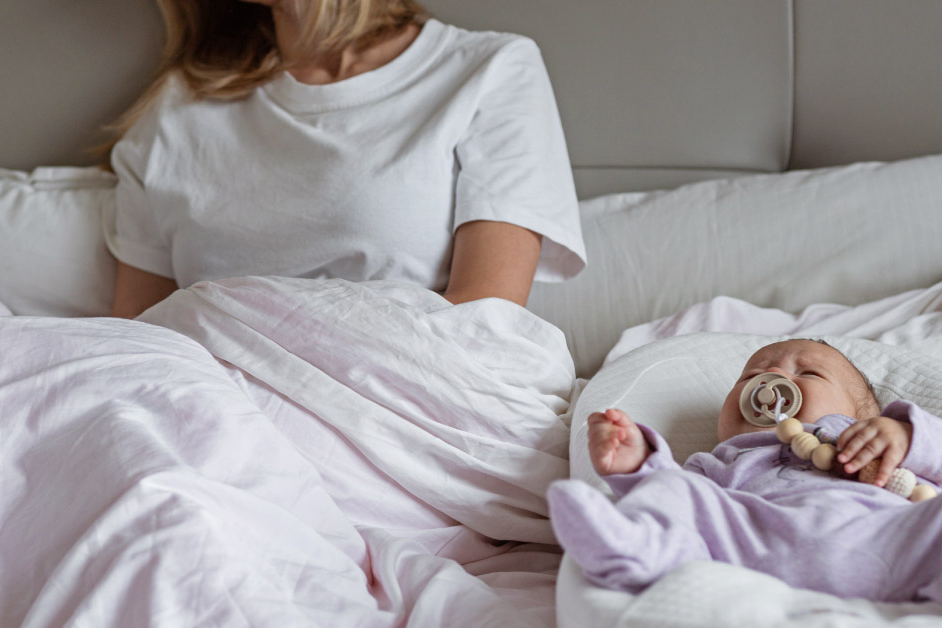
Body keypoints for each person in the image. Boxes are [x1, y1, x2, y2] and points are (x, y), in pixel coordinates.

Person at [102, 0, 586, 319]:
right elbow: (141, 340)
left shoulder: (490, 70)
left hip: (399, 407)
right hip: (210, 412)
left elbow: (485, 318)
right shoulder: (178, 108)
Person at [547, 339, 942, 602]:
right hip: (754, 546)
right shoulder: (718, 461)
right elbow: (675, 503)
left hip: (891, 539)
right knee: (680, 496)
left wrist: (909, 435)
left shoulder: (878, 440)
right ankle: (634, 550)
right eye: (751, 377)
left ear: (861, 415)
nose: (773, 382)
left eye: (809, 374)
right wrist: (638, 464)